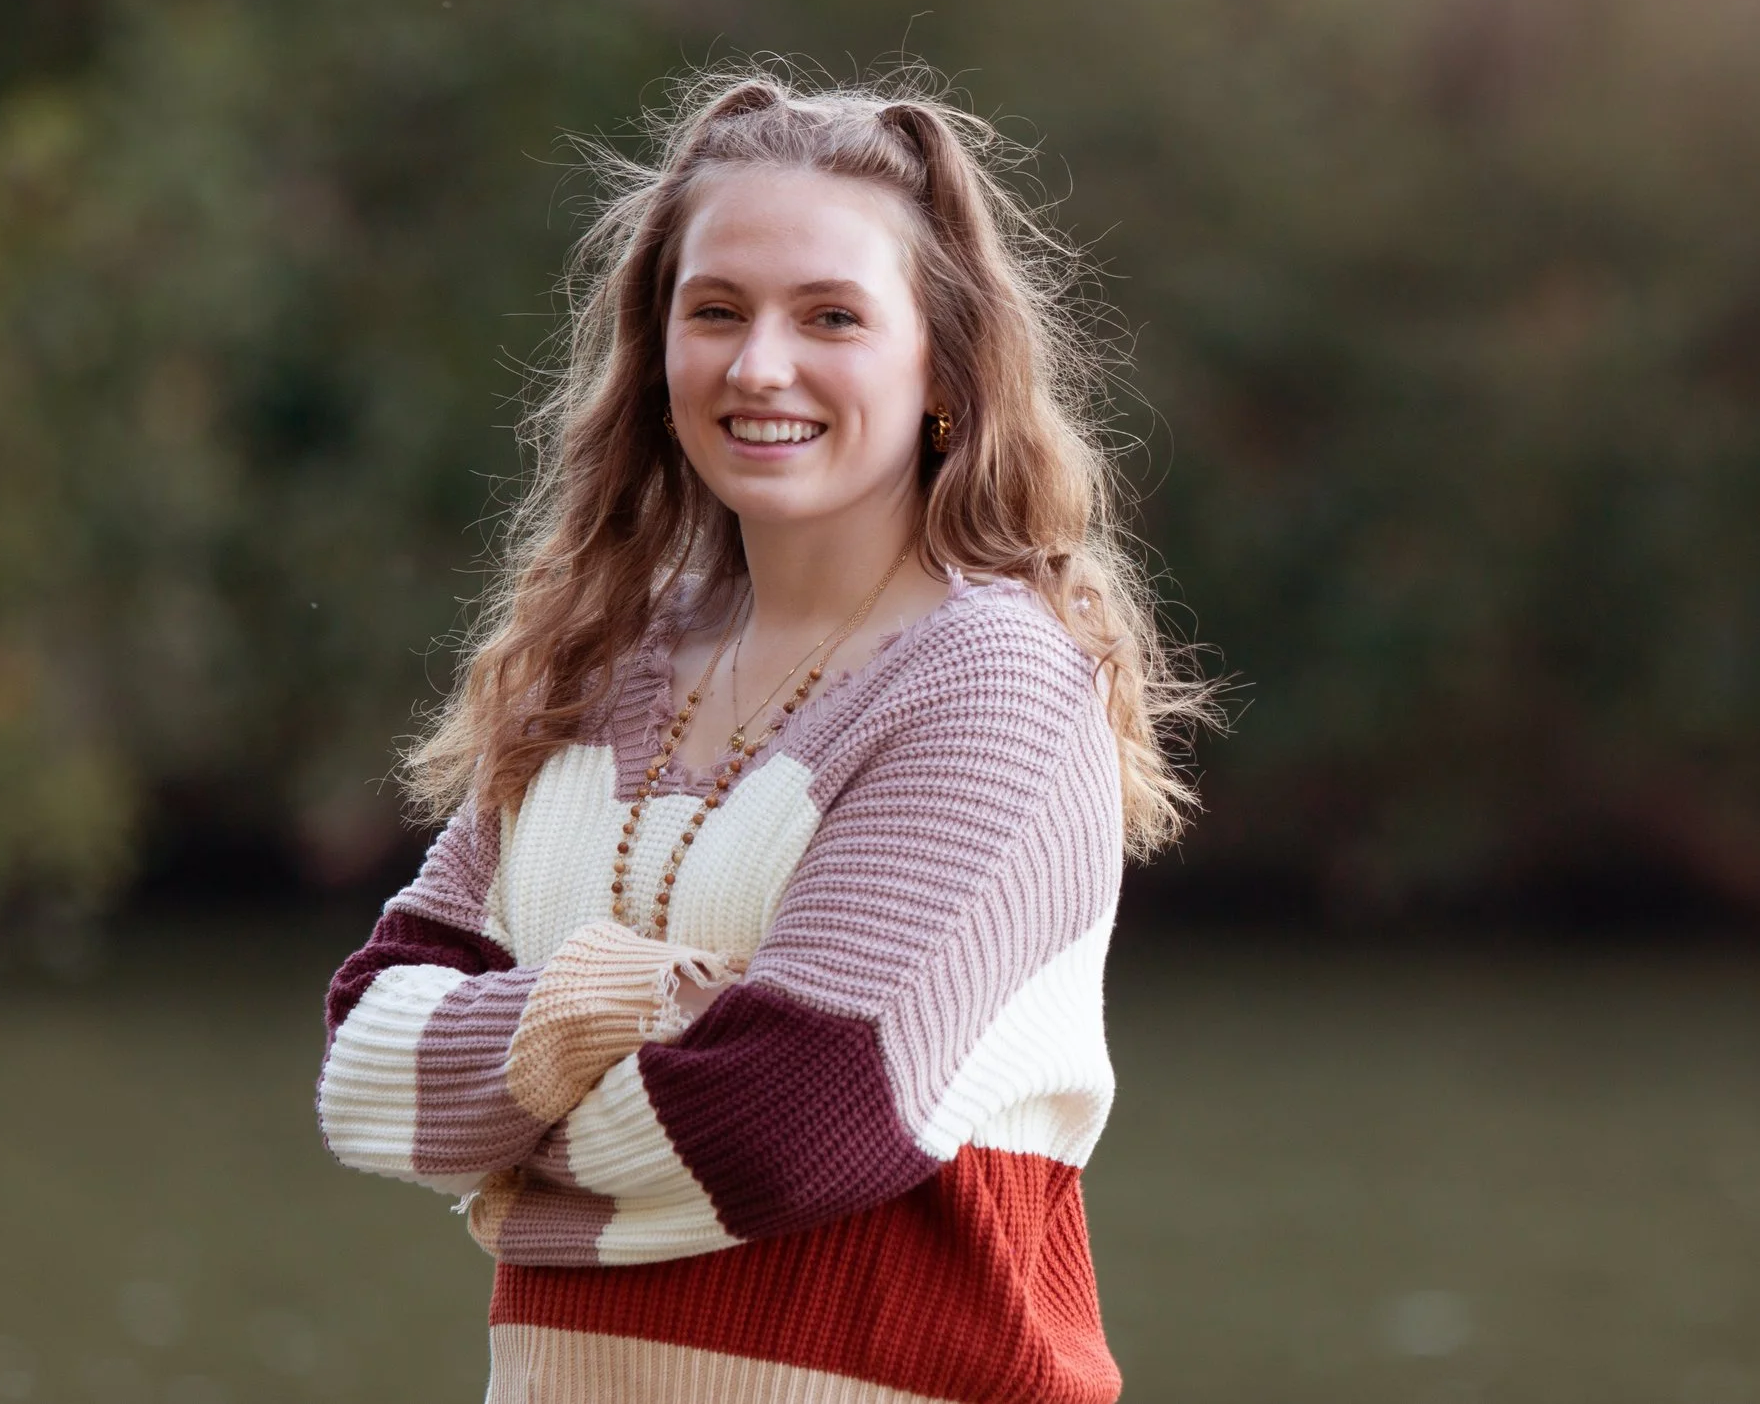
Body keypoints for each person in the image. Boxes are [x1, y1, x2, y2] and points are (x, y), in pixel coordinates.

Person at [315, 68, 1206, 1403]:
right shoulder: (600, 661)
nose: (759, 364)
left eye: (832, 315)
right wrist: (608, 1011)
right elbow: (366, 1059)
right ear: (655, 350)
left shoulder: (996, 684)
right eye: (716, 311)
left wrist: (498, 1141)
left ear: (942, 366)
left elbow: (792, 1117)